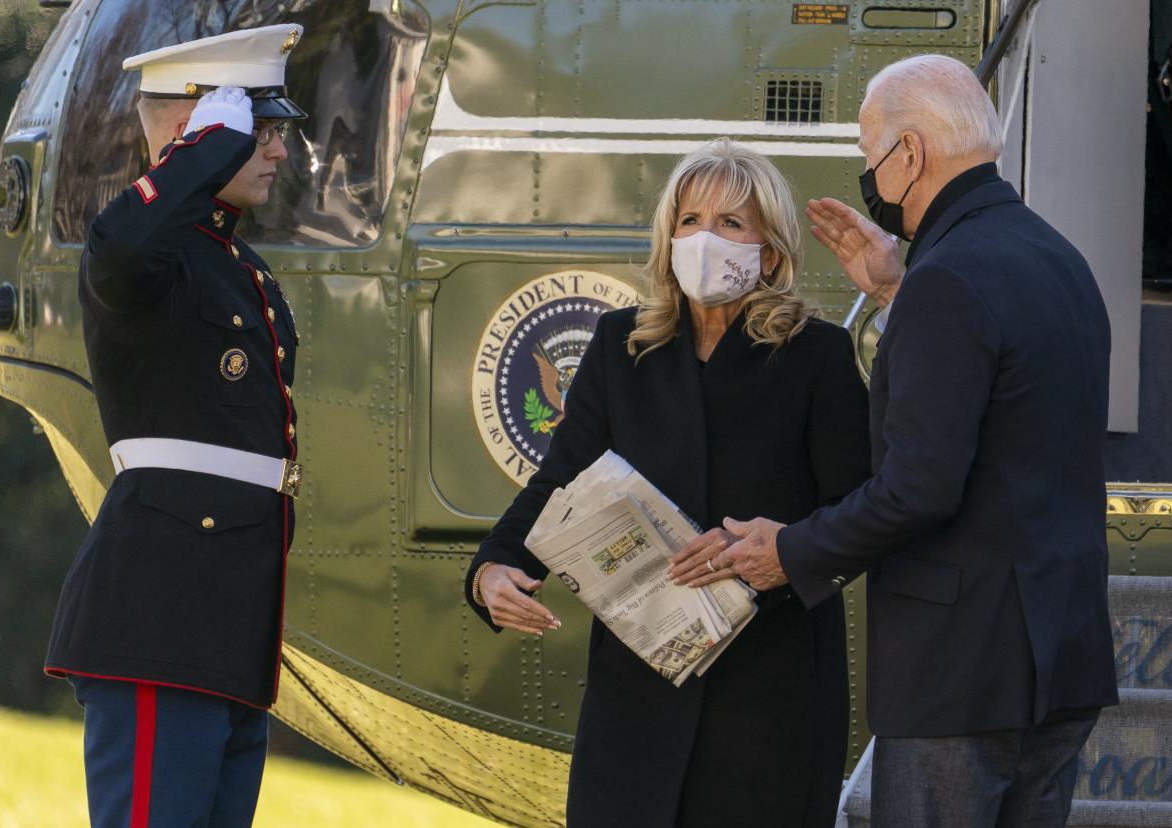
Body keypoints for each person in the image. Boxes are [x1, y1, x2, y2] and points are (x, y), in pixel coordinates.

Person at [694, 55, 1120, 826]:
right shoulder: (1061, 261)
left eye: (869, 154)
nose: (868, 172)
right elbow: (1010, 431)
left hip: (962, 674)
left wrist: (788, 552)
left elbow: (920, 487)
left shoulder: (949, 278)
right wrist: (893, 290)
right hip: (1064, 661)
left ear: (911, 155)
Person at [463, 139, 871, 827]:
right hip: (638, 703)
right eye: (689, 221)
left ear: (768, 251)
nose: (705, 239)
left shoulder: (819, 357)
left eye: (730, 224)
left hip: (770, 700)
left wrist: (788, 552)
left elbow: (860, 511)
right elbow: (559, 480)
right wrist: (493, 567)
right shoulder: (622, 345)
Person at [42, 25, 308, 828]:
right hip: (162, 621)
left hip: (226, 630)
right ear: (199, 131)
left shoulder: (236, 267)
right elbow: (117, 243)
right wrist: (195, 160)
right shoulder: (147, 255)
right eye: (257, 133)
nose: (277, 153)